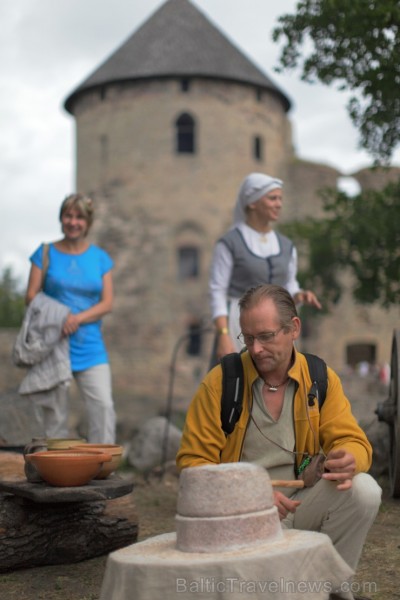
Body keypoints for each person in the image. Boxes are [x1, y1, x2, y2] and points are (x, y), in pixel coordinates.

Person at [177, 284, 381, 596]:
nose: (255, 348)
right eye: (248, 337)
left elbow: (351, 438)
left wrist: (350, 456)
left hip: (303, 500)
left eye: (266, 336)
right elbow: (193, 466)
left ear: (293, 328)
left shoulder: (320, 378)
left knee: (364, 490)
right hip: (242, 515)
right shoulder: (220, 382)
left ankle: (331, 589)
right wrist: (250, 498)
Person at [25, 193, 116, 443]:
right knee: (54, 417)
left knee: (104, 408)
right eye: (68, 216)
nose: (73, 222)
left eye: (79, 217)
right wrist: (60, 316)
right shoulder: (44, 253)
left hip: (90, 346)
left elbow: (107, 303)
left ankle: (103, 470)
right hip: (53, 345)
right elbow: (31, 296)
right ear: (61, 219)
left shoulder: (100, 258)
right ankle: (55, 473)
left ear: (87, 223)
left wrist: (76, 318)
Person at [209, 172, 321, 363]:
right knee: (236, 381)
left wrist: (298, 295)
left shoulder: (286, 245)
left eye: (280, 198)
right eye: (272, 198)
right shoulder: (230, 243)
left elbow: (289, 284)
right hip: (239, 323)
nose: (279, 204)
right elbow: (217, 291)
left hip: (276, 325)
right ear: (252, 202)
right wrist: (224, 334)